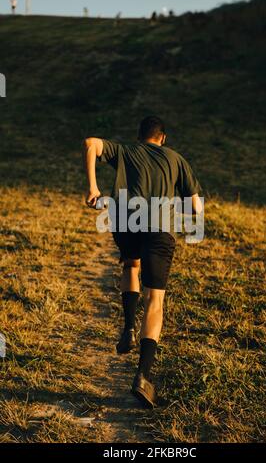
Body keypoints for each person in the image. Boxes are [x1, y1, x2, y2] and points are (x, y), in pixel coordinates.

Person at [84, 116, 202, 408]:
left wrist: (93, 188)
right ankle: (143, 376)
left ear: (140, 137)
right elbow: (196, 208)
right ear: (163, 138)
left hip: (127, 223)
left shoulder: (126, 151)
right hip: (160, 229)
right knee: (155, 301)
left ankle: (128, 328)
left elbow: (90, 144)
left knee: (131, 265)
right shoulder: (176, 159)